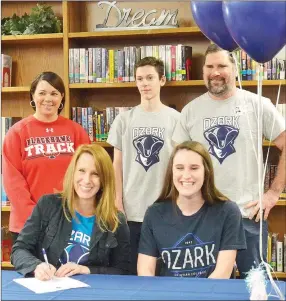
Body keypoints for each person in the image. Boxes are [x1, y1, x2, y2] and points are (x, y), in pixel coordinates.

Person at [172, 44, 286, 278]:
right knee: (205, 288)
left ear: (234, 69)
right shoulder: (190, 111)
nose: (216, 72)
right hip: (202, 217)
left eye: (222, 66)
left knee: (255, 285)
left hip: (249, 216)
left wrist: (273, 193)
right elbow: (178, 164)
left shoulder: (257, 104)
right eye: (210, 66)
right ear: (203, 71)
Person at [11, 144, 130, 280]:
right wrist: (36, 266)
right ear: (72, 172)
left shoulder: (116, 220)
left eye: (95, 174)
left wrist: (86, 270)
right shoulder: (48, 205)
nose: (86, 180)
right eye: (81, 171)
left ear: (104, 180)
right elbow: (19, 250)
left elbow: (122, 271)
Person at [107, 57, 180, 274]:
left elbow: (182, 166)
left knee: (163, 274)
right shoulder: (123, 120)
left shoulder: (176, 119)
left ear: (162, 80)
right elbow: (116, 165)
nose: (144, 83)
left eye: (150, 78)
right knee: (131, 274)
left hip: (166, 210)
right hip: (131, 212)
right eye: (140, 79)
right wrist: (117, 202)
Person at [3, 71, 90, 242]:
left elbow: (87, 175)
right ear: (33, 96)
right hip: (28, 224)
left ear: (62, 97)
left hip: (70, 221)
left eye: (54, 93)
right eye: (42, 93)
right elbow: (13, 182)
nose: (48, 99)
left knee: (70, 270)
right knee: (35, 269)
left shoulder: (76, 131)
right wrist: (39, 218)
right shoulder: (17, 132)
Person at [138, 141, 246, 278]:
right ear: (171, 172)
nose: (186, 175)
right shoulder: (154, 214)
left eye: (194, 168)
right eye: (179, 168)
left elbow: (222, 273)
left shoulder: (228, 211)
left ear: (206, 172)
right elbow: (145, 271)